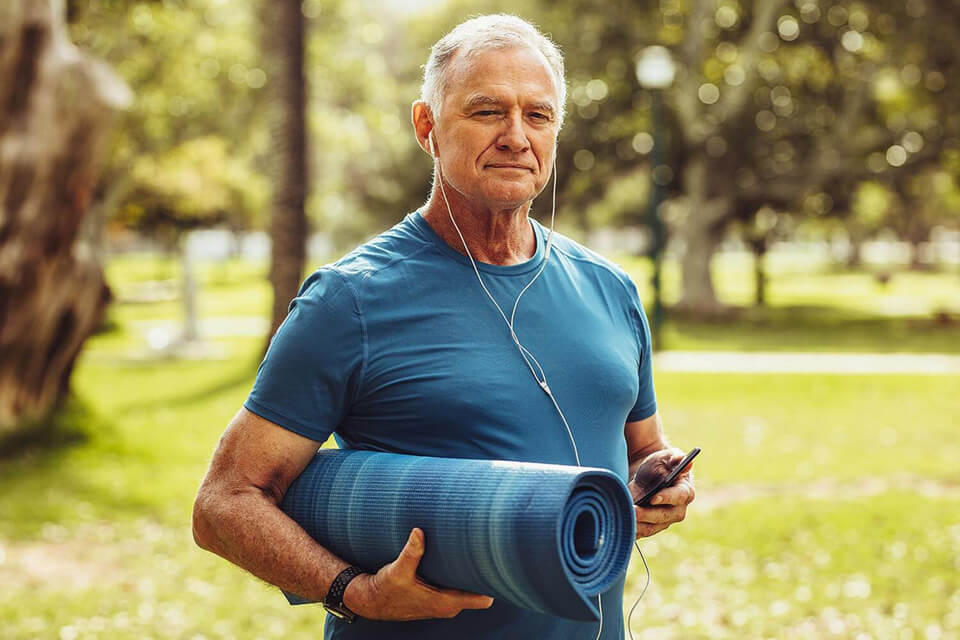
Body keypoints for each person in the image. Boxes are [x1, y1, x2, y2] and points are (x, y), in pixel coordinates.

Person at [192, 14, 695, 640]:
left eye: (538, 116)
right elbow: (224, 503)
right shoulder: (350, 299)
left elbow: (643, 449)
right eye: (487, 112)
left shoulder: (611, 290)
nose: (516, 136)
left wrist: (657, 483)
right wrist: (355, 592)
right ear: (427, 127)